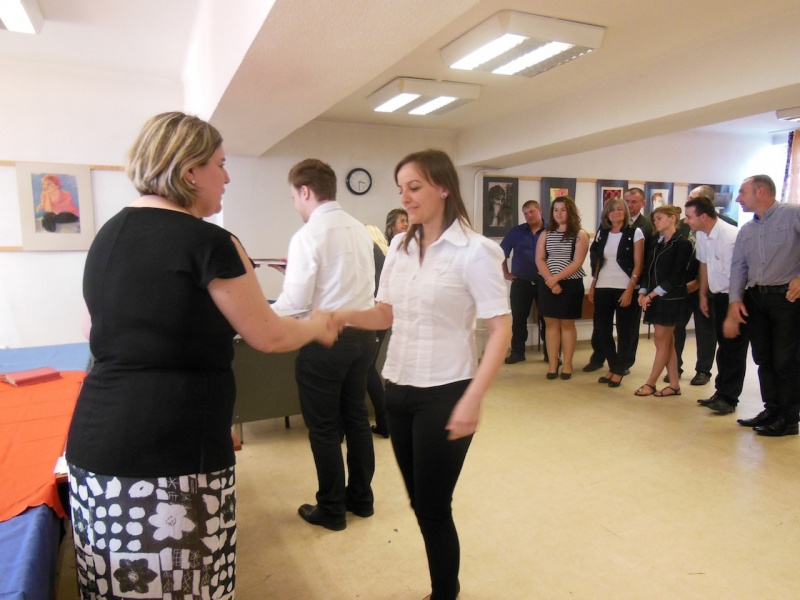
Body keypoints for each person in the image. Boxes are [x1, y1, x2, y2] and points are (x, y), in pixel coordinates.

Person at [64, 112, 337, 598]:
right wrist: (318, 325)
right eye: (221, 164)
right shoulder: (210, 242)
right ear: (190, 171)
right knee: (189, 584)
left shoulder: (108, 235)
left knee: (119, 587)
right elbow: (268, 335)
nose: (227, 178)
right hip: (173, 451)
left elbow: (91, 330)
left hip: (96, 443)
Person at [336, 149, 510, 600]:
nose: (405, 197)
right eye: (401, 189)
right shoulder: (399, 246)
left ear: (444, 187)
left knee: (433, 506)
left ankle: (444, 593)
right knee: (420, 501)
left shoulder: (476, 251)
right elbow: (384, 314)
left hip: (447, 393)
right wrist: (338, 315)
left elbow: (501, 330)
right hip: (398, 389)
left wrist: (473, 398)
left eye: (414, 187)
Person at [271, 158, 377, 530]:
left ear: (305, 191)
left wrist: (261, 316)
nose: (295, 205)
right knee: (357, 420)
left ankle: (331, 509)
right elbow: (348, 279)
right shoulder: (360, 229)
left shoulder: (308, 235)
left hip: (326, 340)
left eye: (293, 197)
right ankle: (361, 499)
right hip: (363, 336)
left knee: (324, 428)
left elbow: (294, 303)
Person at [724, 174, 800, 437]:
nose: (738, 198)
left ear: (760, 192)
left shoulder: (792, 214)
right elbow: (738, 268)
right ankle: (772, 410)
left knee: (785, 359)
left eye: (742, 192)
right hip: (756, 299)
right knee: (763, 358)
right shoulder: (746, 230)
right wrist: (735, 300)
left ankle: (789, 418)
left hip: (786, 298)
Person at [683, 193, 749, 415]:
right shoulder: (702, 234)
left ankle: (729, 398)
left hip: (736, 297)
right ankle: (721, 392)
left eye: (689, 216)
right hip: (718, 295)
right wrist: (703, 294)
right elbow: (704, 264)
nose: (686, 221)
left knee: (733, 348)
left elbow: (739, 276)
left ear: (703, 216)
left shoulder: (730, 236)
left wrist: (732, 313)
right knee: (723, 346)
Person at [671, 186, 738, 387]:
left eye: (692, 199)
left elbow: (734, 273)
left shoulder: (729, 231)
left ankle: (703, 371)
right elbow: (704, 262)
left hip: (719, 290)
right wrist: (699, 291)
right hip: (687, 285)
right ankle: (675, 366)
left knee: (707, 331)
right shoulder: (694, 229)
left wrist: (700, 287)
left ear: (704, 209)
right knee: (677, 327)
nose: (685, 220)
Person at [584, 187, 651, 372]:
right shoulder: (602, 232)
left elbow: (639, 264)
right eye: (612, 210)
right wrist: (594, 284)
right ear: (607, 213)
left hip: (625, 286)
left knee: (625, 330)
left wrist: (630, 289)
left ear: (626, 212)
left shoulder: (636, 231)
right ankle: (615, 365)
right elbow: (598, 259)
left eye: (620, 209)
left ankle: (620, 367)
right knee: (601, 328)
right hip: (603, 285)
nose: (616, 212)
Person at [634, 205, 693, 397]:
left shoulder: (682, 244)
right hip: (656, 297)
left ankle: (650, 383)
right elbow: (648, 270)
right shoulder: (656, 242)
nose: (655, 222)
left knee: (661, 341)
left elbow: (676, 277)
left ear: (672, 218)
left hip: (671, 299)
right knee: (667, 343)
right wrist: (643, 291)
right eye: (654, 219)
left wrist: (651, 295)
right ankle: (674, 385)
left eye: (659, 218)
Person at [536, 196, 589, 380]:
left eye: (563, 210)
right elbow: (539, 259)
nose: (559, 213)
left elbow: (577, 262)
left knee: (567, 324)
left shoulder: (580, 234)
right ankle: (553, 364)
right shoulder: (546, 233)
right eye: (556, 210)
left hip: (570, 284)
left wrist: (556, 279)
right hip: (548, 283)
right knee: (550, 324)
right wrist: (550, 280)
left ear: (570, 212)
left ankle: (567, 364)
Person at [500, 199, 547, 364]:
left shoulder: (551, 230)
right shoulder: (516, 232)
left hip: (546, 282)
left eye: (532, 211)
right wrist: (506, 273)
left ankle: (551, 353)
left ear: (540, 211)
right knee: (519, 319)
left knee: (548, 318)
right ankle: (518, 352)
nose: (529, 215)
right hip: (521, 282)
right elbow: (501, 253)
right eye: (525, 213)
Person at [365, 223, 390, 438]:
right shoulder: (385, 252)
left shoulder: (370, 252)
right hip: (384, 314)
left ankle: (383, 421)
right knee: (368, 367)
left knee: (366, 368)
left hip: (371, 314)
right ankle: (384, 421)